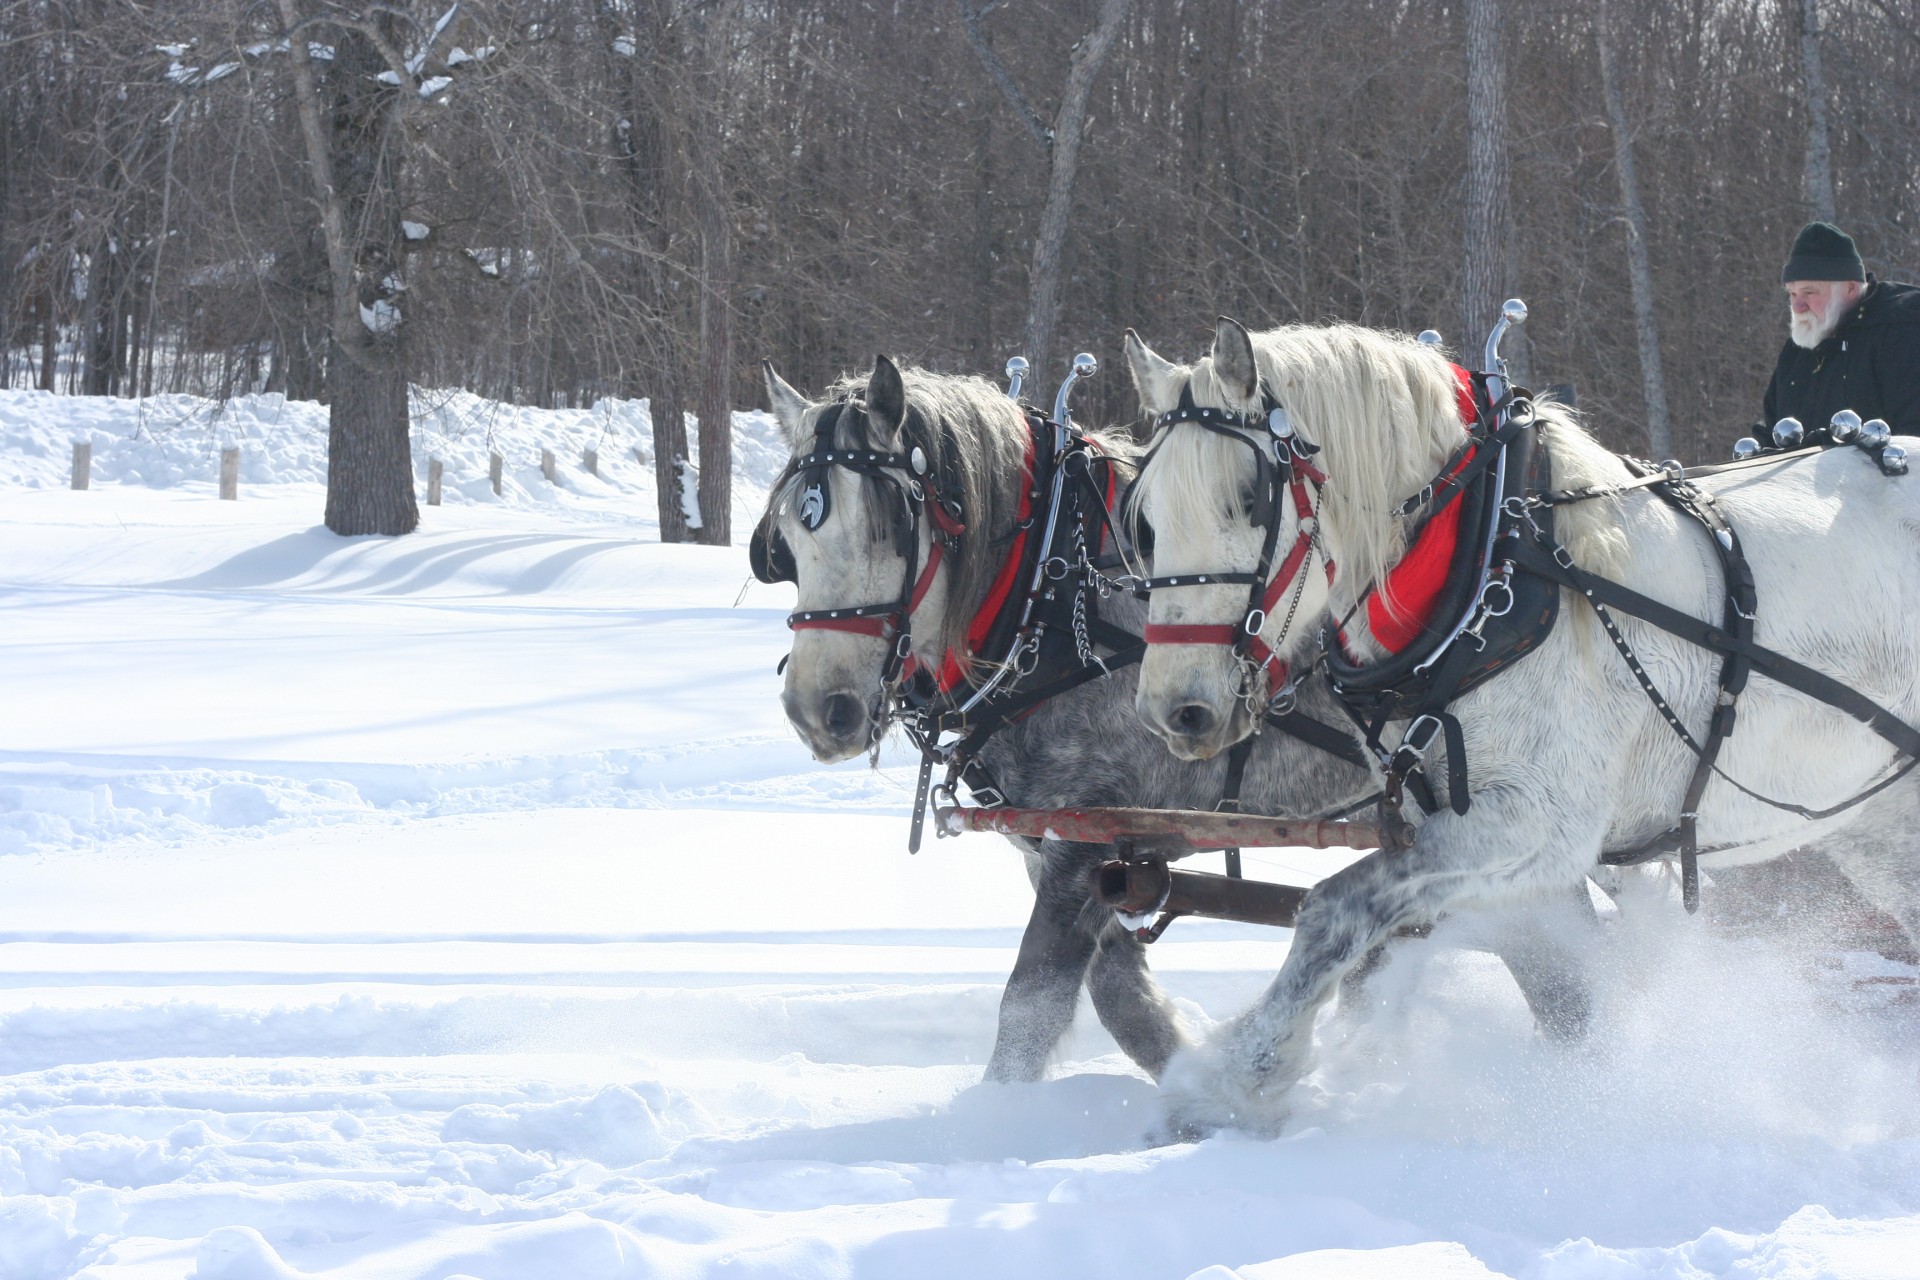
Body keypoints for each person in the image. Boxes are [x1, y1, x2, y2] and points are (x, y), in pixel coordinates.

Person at [1761, 222, 1920, 438]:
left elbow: (1912, 440)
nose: (1798, 306)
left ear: (1851, 288)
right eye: (1792, 294)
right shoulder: (1799, 349)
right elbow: (1771, 434)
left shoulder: (1902, 332)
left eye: (1809, 292)